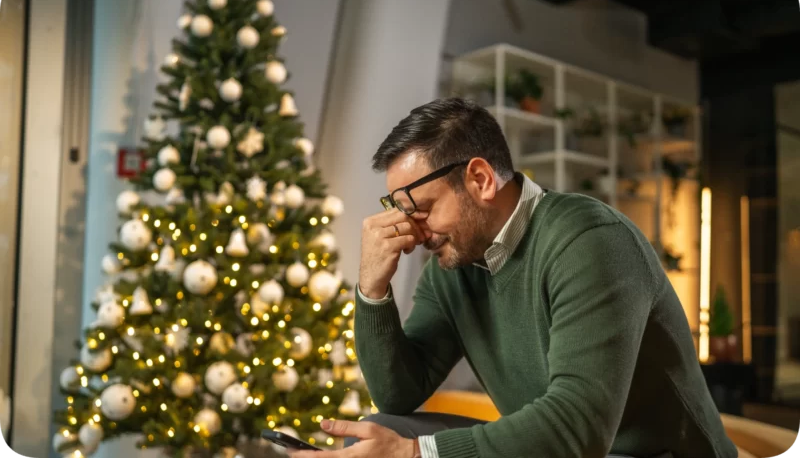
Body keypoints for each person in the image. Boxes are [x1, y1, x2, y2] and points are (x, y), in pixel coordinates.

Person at [289, 98, 738, 458]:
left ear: (481, 179)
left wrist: (415, 453)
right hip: (568, 446)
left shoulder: (590, 240)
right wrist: (373, 290)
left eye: (420, 208)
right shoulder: (454, 268)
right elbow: (397, 394)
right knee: (380, 432)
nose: (414, 230)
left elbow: (579, 428)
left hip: (644, 452)